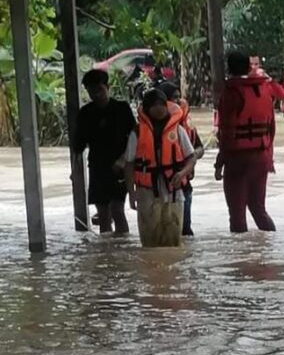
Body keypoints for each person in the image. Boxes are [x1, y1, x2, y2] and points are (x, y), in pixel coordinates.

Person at [215, 51, 283, 233]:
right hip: (261, 155)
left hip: (238, 158)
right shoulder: (263, 89)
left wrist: (220, 162)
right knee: (258, 208)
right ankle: (270, 250)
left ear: (228, 68)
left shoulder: (231, 92)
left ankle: (240, 259)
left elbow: (227, 130)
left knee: (237, 214)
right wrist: (269, 156)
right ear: (248, 67)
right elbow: (271, 127)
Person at [124, 89, 196, 247]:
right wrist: (131, 192)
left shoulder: (178, 130)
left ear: (166, 105)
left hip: (173, 189)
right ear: (147, 108)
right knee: (150, 242)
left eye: (161, 104)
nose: (158, 108)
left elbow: (191, 157)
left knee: (173, 241)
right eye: (154, 105)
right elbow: (129, 164)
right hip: (146, 190)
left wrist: (183, 172)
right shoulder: (137, 132)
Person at [74, 70, 136, 234]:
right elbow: (78, 145)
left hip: (119, 168)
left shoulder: (121, 109)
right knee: (103, 215)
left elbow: (136, 136)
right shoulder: (86, 114)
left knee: (117, 210)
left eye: (99, 89)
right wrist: (75, 170)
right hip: (97, 166)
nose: (96, 94)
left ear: (108, 87)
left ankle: (122, 250)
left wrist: (123, 160)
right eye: (91, 91)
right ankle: (107, 255)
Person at [158, 82, 205, 237]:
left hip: (184, 185)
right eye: (174, 98)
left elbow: (199, 148)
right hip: (160, 187)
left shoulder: (185, 124)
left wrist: (192, 155)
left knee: (184, 231)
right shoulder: (154, 127)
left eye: (179, 97)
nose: (178, 101)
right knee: (163, 232)